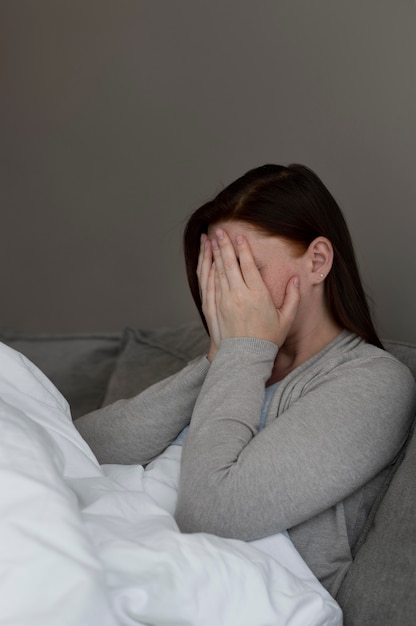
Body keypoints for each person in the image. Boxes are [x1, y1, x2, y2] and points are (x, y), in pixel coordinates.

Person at [75, 163, 416, 596]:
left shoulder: (374, 382)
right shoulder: (230, 363)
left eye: (244, 267)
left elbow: (213, 514)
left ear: (317, 261)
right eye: (215, 271)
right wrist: (220, 358)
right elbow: (77, 450)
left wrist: (242, 351)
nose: (226, 291)